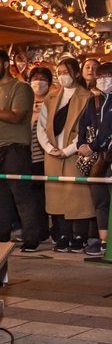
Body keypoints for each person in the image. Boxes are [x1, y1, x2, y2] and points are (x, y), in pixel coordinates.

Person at [0, 49, 45, 251]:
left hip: (15, 148)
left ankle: (32, 237)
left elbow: (16, 116)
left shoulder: (21, 88)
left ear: (6, 64)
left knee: (22, 195)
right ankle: (0, 236)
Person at [37, 58, 93, 252]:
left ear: (76, 74)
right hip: (52, 153)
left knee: (78, 197)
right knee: (56, 196)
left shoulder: (87, 97)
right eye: (59, 72)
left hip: (75, 153)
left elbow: (86, 129)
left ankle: (80, 236)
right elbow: (41, 126)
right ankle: (63, 234)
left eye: (66, 72)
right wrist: (49, 148)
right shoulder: (51, 98)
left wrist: (68, 149)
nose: (62, 76)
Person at [77, 61, 112, 256]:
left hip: (105, 154)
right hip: (98, 161)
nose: (104, 81)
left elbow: (108, 129)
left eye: (108, 77)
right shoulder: (93, 101)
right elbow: (82, 125)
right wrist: (81, 145)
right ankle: (104, 242)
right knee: (100, 201)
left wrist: (92, 146)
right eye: (101, 77)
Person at [28, 66, 55, 243]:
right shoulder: (26, 102)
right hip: (28, 156)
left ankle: (53, 229)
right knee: (34, 197)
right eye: (35, 78)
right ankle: (39, 229)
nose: (38, 82)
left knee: (49, 194)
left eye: (42, 78)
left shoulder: (53, 102)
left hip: (47, 156)